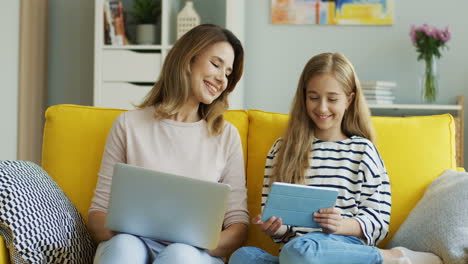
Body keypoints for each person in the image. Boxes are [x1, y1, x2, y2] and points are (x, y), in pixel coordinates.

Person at [229, 53, 442, 264]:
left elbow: (378, 222)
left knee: (300, 251)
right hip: (294, 254)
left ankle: (391, 258)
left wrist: (341, 225)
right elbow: (280, 226)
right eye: (313, 97)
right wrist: (275, 227)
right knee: (244, 256)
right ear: (304, 98)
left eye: (332, 99)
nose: (322, 107)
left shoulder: (362, 150)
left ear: (349, 100)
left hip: (340, 250)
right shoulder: (282, 150)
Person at [88, 24, 249, 264]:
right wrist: (126, 233)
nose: (221, 79)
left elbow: (238, 225)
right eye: (216, 64)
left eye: (227, 73)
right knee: (125, 247)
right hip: (131, 243)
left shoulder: (226, 136)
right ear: (187, 59)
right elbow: (98, 213)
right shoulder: (128, 125)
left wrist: (197, 244)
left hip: (194, 254)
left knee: (179, 255)